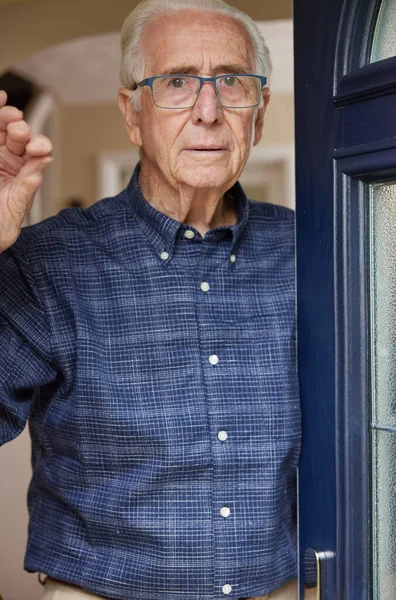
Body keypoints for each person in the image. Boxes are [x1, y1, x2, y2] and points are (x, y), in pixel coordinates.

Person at [0, 0, 301, 599]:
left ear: (259, 113)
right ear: (132, 113)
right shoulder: (48, 260)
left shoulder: (314, 247)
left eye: (233, 83)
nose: (209, 112)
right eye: (177, 83)